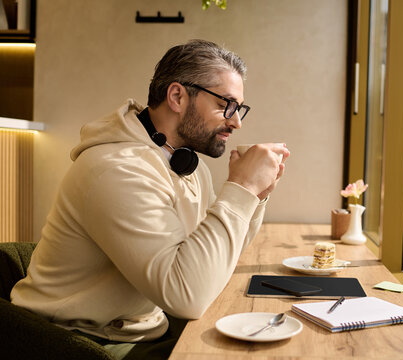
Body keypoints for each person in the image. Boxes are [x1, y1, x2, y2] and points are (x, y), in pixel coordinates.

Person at [11, 39, 289, 359]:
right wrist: (241, 187)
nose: (236, 121)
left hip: (144, 326)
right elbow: (189, 297)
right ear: (177, 96)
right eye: (226, 104)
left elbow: (215, 259)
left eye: (239, 108)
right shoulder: (118, 170)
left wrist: (255, 195)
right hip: (80, 341)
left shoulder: (184, 162)